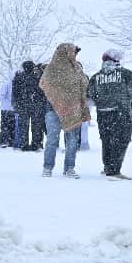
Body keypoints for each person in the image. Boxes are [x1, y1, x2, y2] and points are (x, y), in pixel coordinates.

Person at [88, 49, 132, 180]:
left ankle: (107, 166)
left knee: (106, 140)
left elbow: (90, 95)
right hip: (121, 111)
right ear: (117, 60)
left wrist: (101, 102)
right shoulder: (126, 74)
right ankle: (114, 170)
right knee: (122, 139)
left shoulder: (96, 76)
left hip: (102, 113)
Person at [39, 43, 90, 178]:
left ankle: (69, 168)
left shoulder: (77, 68)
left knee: (72, 140)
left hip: (73, 110)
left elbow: (84, 83)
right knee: (52, 139)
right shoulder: (51, 69)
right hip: (53, 109)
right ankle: (47, 167)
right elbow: (43, 84)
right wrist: (59, 97)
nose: (75, 55)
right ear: (64, 52)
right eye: (73, 52)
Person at [12, 61, 41, 151]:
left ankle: (24, 144)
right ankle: (35, 144)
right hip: (33, 105)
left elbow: (15, 93)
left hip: (23, 105)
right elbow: (41, 92)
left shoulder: (18, 77)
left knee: (24, 126)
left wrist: (16, 104)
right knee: (35, 125)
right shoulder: (37, 78)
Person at [0, 70, 17, 148]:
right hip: (6, 109)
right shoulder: (6, 84)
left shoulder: (18, 84)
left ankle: (11, 141)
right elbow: (1, 96)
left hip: (14, 109)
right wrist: (8, 104)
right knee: (5, 126)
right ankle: (4, 141)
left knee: (13, 126)